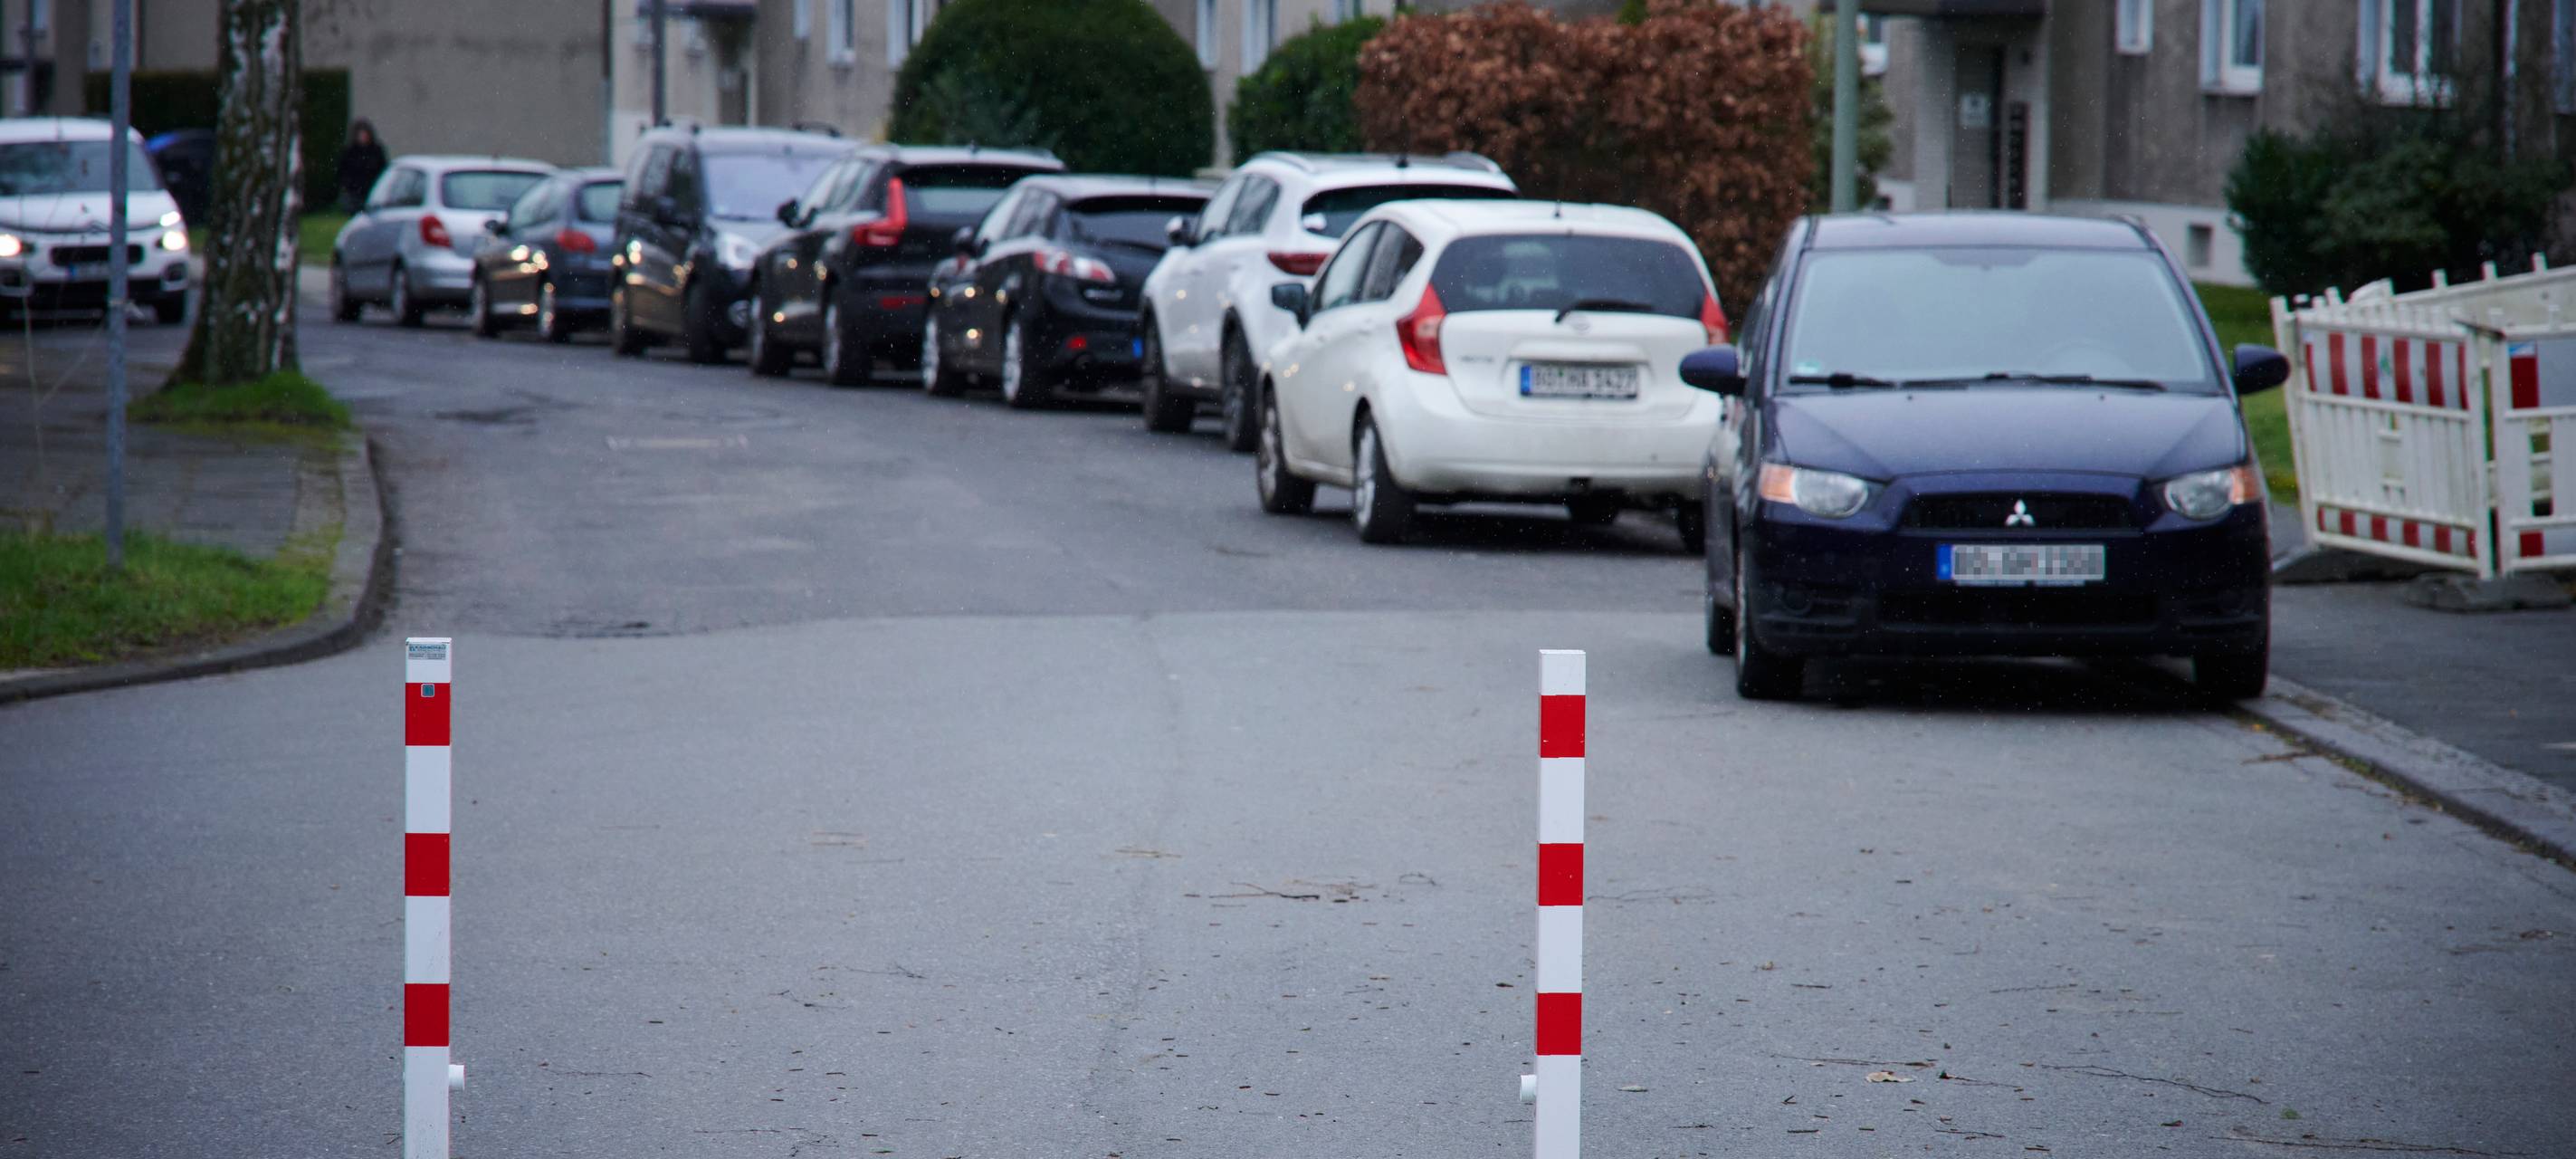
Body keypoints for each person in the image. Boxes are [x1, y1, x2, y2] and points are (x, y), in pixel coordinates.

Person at [336, 120, 388, 213]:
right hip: (354, 190)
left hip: (371, 188)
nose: (363, 137)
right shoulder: (350, 151)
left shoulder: (376, 151)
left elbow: (382, 168)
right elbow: (342, 170)